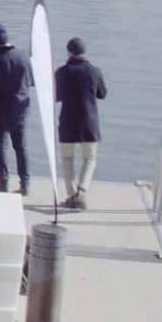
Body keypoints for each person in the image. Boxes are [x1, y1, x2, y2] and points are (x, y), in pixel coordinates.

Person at [55, 38, 109, 210]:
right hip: (89, 123)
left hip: (68, 122)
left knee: (67, 158)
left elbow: (57, 96)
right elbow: (103, 94)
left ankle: (71, 194)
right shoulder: (94, 71)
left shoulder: (61, 72)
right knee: (90, 158)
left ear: (69, 52)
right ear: (84, 52)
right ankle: (82, 191)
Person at [0, 23, 35, 196]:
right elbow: (32, 82)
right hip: (20, 109)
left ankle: (3, 183)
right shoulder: (24, 58)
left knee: (1, 149)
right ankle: (25, 184)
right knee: (21, 147)